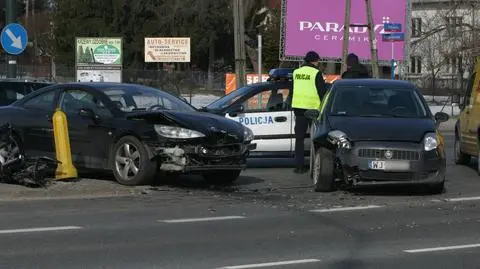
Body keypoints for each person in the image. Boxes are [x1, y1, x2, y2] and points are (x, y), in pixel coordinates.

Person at [291, 51, 327, 174]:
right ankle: (315, 165)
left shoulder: (296, 72)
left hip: (298, 109)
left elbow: (292, 90)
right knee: (316, 138)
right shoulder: (316, 73)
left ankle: (299, 166)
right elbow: (322, 92)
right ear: (315, 61)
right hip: (313, 110)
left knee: (299, 139)